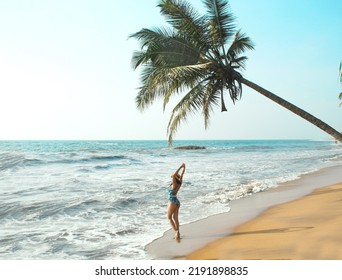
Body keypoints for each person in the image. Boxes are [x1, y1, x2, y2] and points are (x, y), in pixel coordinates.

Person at [167, 163, 186, 241]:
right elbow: (182, 175)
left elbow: (175, 175)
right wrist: (183, 168)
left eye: (172, 177)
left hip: (172, 201)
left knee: (169, 217)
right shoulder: (179, 183)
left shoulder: (174, 184)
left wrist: (181, 167)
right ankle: (178, 233)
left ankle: (177, 232)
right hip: (177, 202)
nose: (172, 177)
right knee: (175, 218)